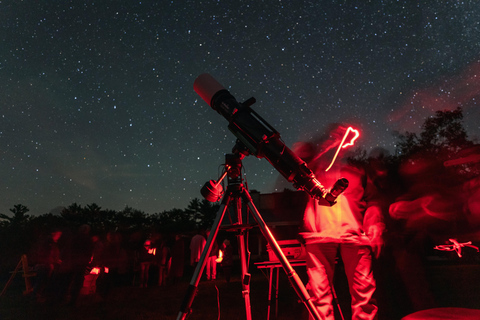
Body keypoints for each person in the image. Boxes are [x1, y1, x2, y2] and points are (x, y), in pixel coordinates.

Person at [298, 124, 385, 320]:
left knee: (364, 293)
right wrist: (326, 146)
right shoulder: (315, 166)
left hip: (354, 236)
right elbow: (298, 172)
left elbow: (373, 199)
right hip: (318, 234)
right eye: (332, 137)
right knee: (319, 296)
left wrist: (375, 222)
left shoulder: (358, 169)